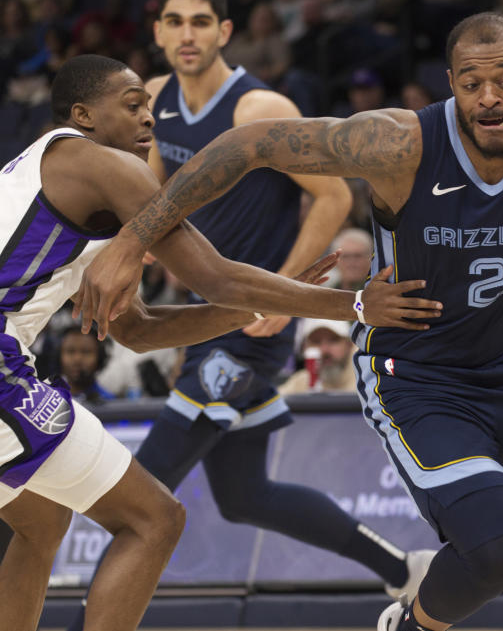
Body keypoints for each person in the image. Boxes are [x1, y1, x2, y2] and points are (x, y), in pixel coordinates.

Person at [74, 12, 503, 631]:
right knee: (497, 543)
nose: (489, 98)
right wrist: (133, 240)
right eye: (473, 84)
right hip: (418, 373)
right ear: (451, 85)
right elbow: (251, 144)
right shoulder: (399, 143)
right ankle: (412, 621)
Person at [0, 53, 435, 631]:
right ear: (84, 114)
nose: (149, 121)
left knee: (43, 519)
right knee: (154, 519)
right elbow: (216, 276)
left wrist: (257, 305)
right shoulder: (104, 165)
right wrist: (354, 305)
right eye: (132, 107)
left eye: (150, 108)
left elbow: (138, 330)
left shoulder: (39, 169)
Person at [279, 318, 357, 393]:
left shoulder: (366, 380)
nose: (324, 350)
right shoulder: (299, 384)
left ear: (349, 344)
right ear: (304, 348)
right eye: (316, 342)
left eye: (333, 340)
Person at [57, 325, 115, 407]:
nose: (77, 359)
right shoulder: (44, 400)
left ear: (100, 357)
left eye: (86, 352)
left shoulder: (110, 404)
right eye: (70, 351)